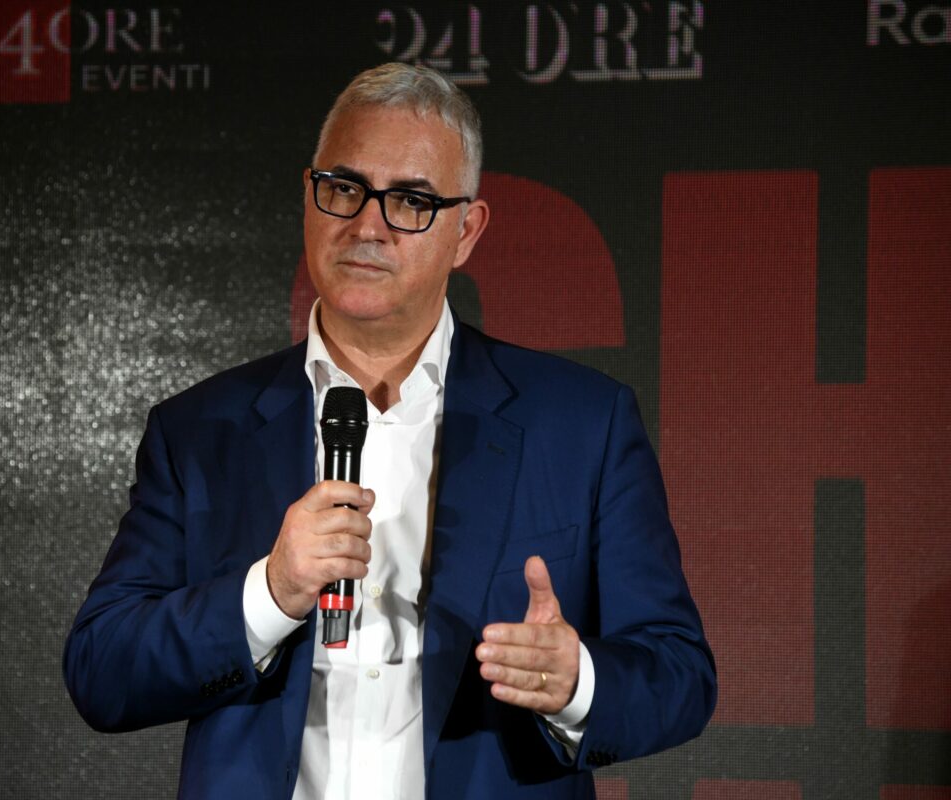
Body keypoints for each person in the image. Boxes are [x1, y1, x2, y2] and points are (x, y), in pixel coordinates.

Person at [64, 62, 716, 799]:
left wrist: (575, 683)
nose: (366, 226)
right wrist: (269, 593)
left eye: (410, 200)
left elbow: (679, 676)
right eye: (344, 188)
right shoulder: (198, 431)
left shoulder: (581, 424)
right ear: (309, 196)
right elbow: (101, 670)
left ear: (466, 231)